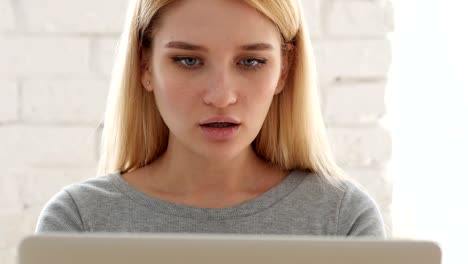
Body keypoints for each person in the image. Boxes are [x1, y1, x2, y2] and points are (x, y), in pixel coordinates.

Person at [36, 0, 385, 236]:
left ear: (284, 70)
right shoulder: (78, 222)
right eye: (188, 61)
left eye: (251, 62)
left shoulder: (342, 219)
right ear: (145, 66)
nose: (221, 96)